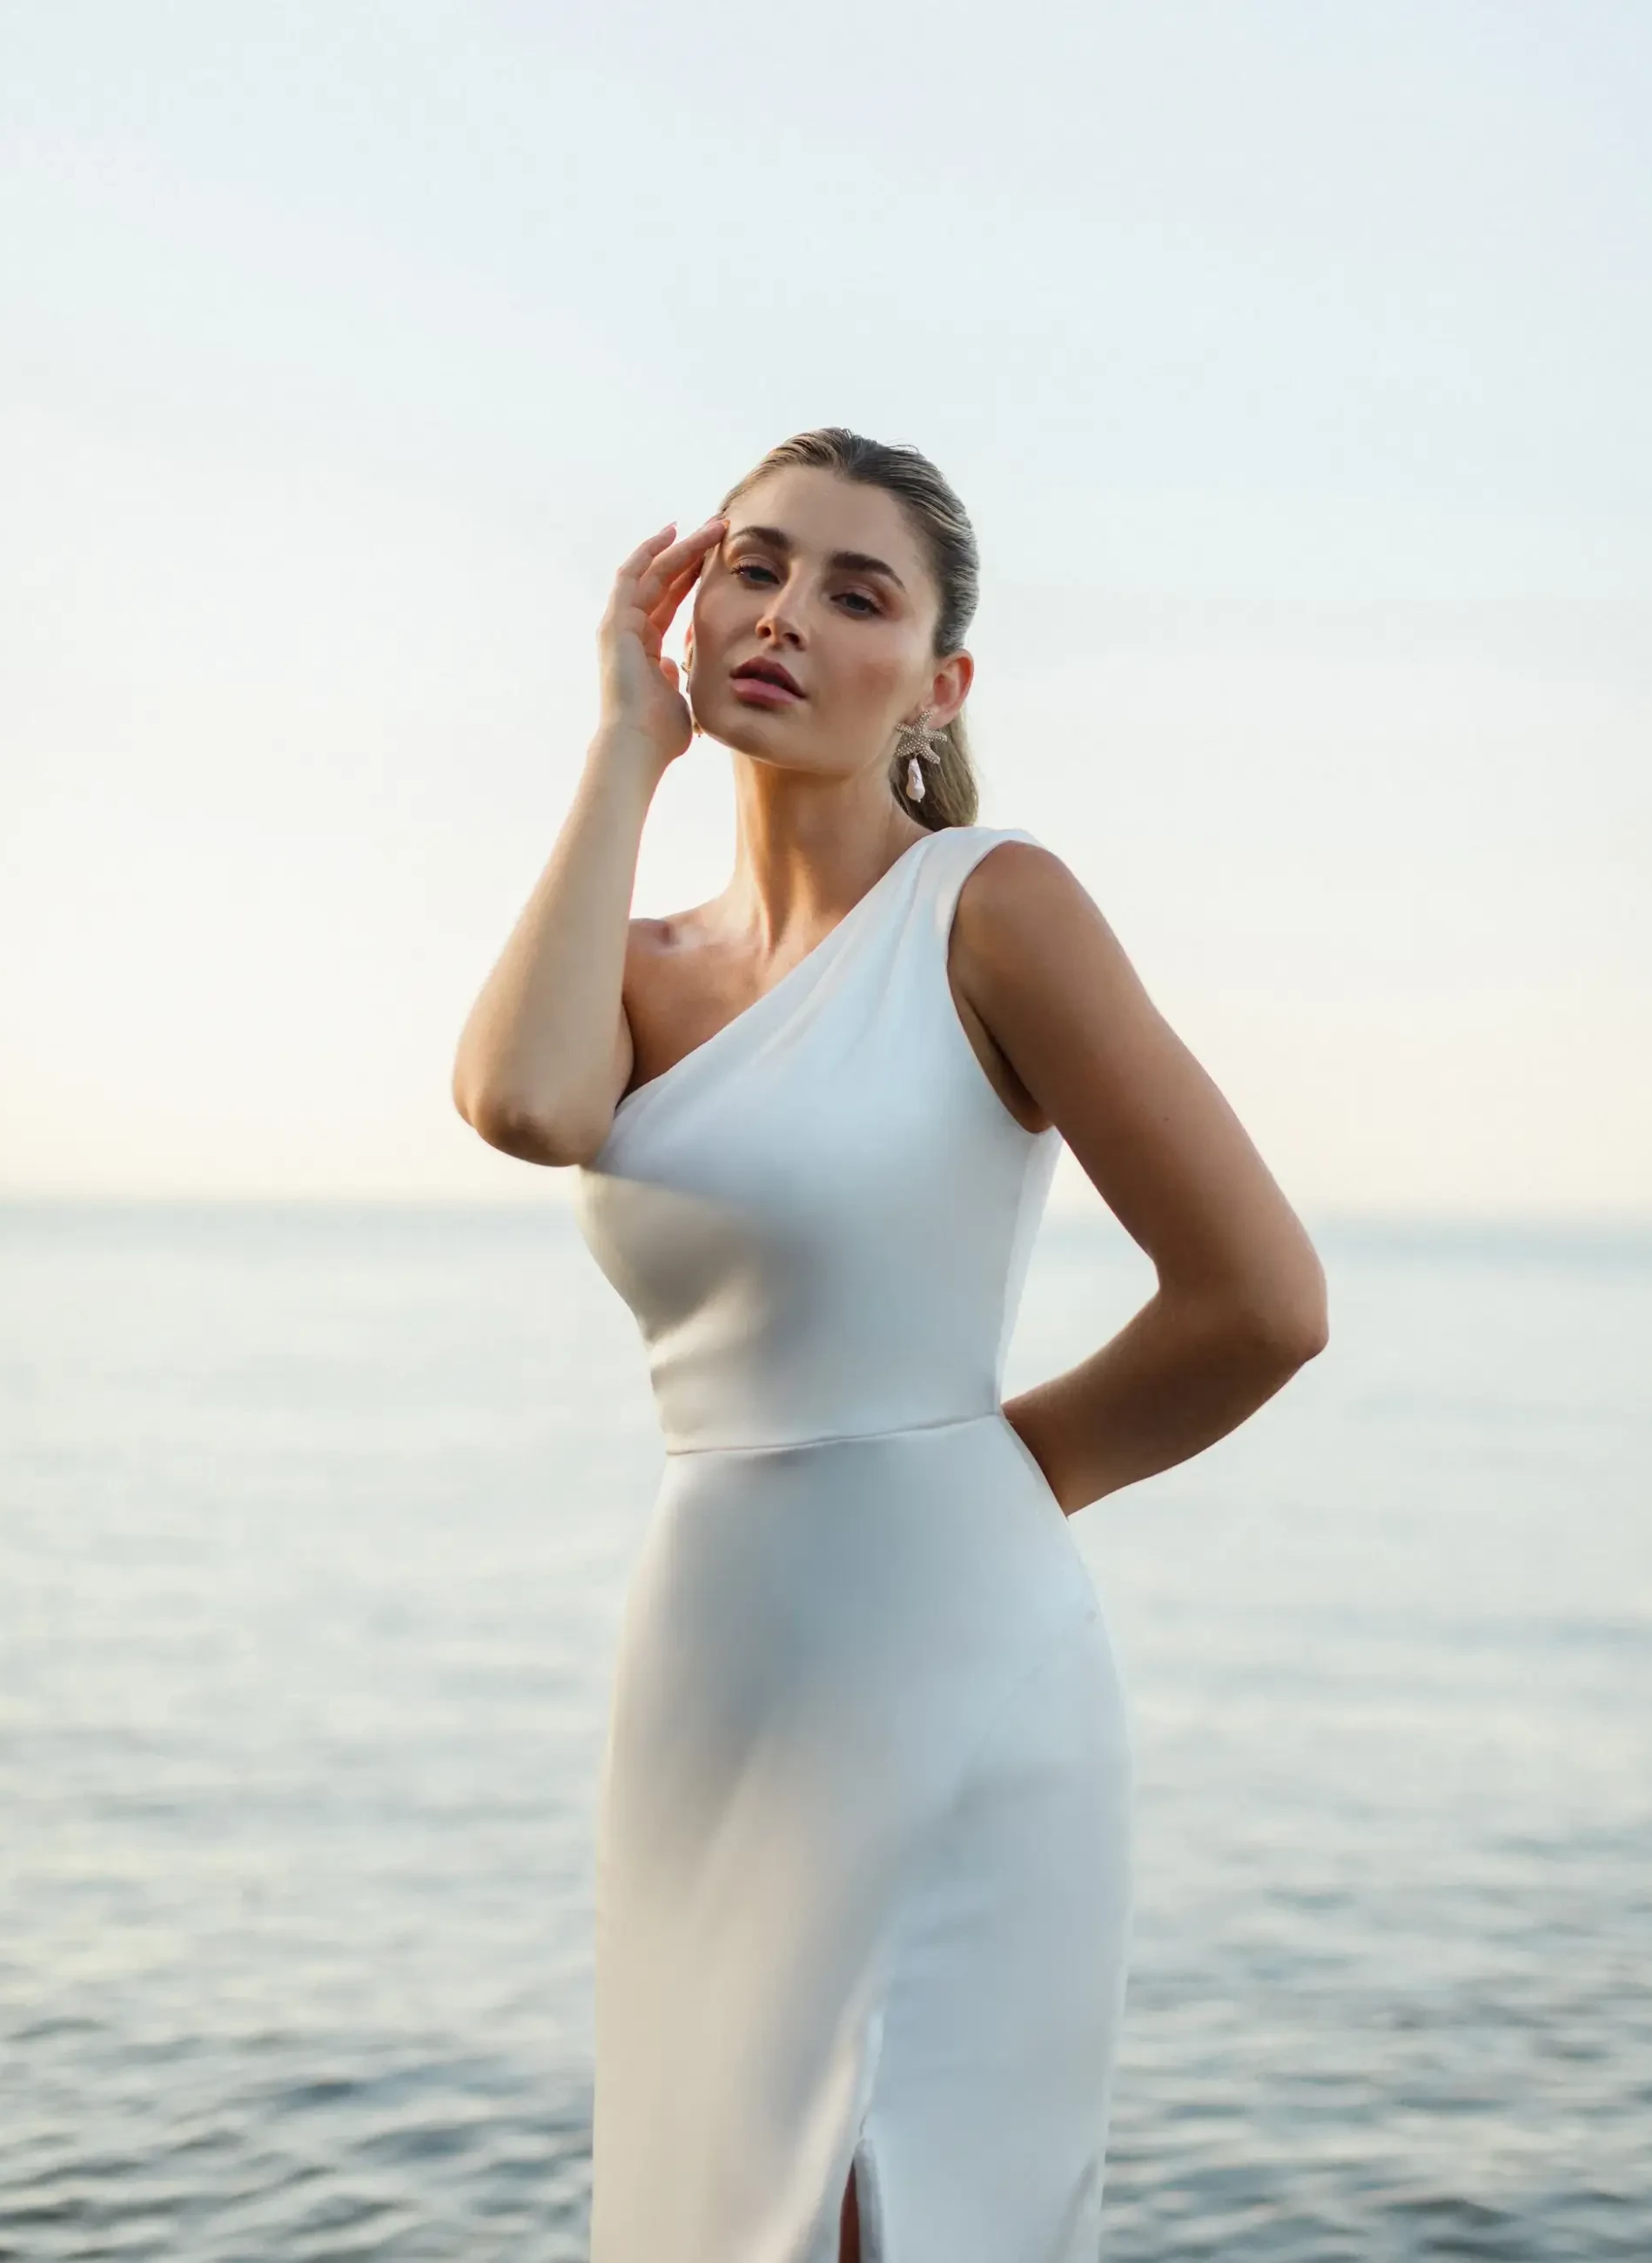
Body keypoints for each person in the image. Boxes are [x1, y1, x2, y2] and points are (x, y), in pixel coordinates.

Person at [452, 427, 1329, 2262]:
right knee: (713, 2203)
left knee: (890, 2200)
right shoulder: (630, 966)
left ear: (938, 686)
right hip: (707, 1662)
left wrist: (986, 1472)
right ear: (689, 612)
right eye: (753, 567)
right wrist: (623, 742)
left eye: (856, 594)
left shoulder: (993, 907)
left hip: (952, 1642)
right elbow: (524, 1105)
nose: (784, 615)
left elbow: (1260, 1301)